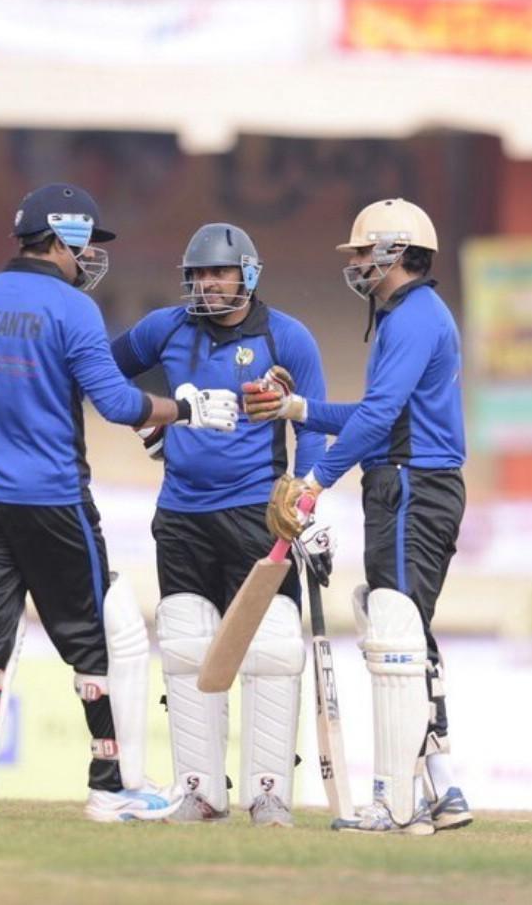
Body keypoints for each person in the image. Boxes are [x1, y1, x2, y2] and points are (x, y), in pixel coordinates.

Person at [0, 183, 238, 822]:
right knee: (95, 639)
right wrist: (187, 409)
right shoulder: (72, 310)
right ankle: (109, 786)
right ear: (62, 239)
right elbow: (117, 404)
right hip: (54, 501)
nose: (91, 257)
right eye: (87, 243)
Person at [244, 198, 472, 836]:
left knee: (395, 634)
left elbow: (377, 422)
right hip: (413, 483)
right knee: (405, 632)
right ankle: (440, 790)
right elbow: (377, 414)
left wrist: (314, 482)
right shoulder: (415, 315)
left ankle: (396, 803)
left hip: (409, 488)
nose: (358, 265)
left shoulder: (413, 318)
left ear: (399, 252)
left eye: (365, 253)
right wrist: (296, 411)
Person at [110, 222, 329, 827]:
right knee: (184, 647)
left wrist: (304, 502)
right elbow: (100, 369)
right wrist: (149, 424)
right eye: (198, 274)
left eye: (218, 273)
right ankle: (200, 792)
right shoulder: (166, 327)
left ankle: (268, 792)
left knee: (271, 650)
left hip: (256, 515)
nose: (206, 284)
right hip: (180, 514)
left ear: (248, 276)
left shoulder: (289, 338)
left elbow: (311, 426)